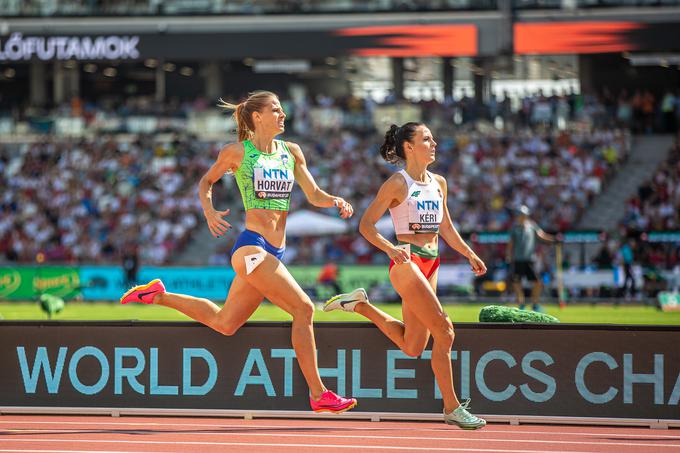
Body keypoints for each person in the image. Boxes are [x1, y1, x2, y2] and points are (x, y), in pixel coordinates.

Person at [119, 90, 357, 414]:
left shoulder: (292, 152)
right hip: (251, 248)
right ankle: (319, 393)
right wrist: (209, 211)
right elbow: (206, 182)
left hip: (276, 249)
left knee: (225, 323)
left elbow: (314, 194)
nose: (283, 115)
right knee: (304, 309)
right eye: (276, 109)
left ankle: (158, 295)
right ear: (257, 117)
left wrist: (335, 200)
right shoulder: (237, 152)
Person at [323, 122, 487, 429]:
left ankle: (359, 305)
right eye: (427, 138)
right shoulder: (397, 184)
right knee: (445, 331)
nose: (434, 142)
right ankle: (451, 407)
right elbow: (366, 225)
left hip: (432, 263)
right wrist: (389, 249)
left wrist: (469, 253)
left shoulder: (439, 182)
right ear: (409, 147)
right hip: (406, 263)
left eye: (432, 137)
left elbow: (447, 228)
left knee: (413, 347)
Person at [506, 205, 556, 311]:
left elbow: (542, 235)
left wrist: (554, 239)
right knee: (516, 282)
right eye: (520, 215)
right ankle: (521, 304)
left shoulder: (532, 226)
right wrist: (509, 256)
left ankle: (535, 303)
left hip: (530, 260)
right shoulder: (514, 228)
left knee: (538, 282)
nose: (522, 217)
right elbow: (510, 244)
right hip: (518, 260)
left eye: (523, 215)